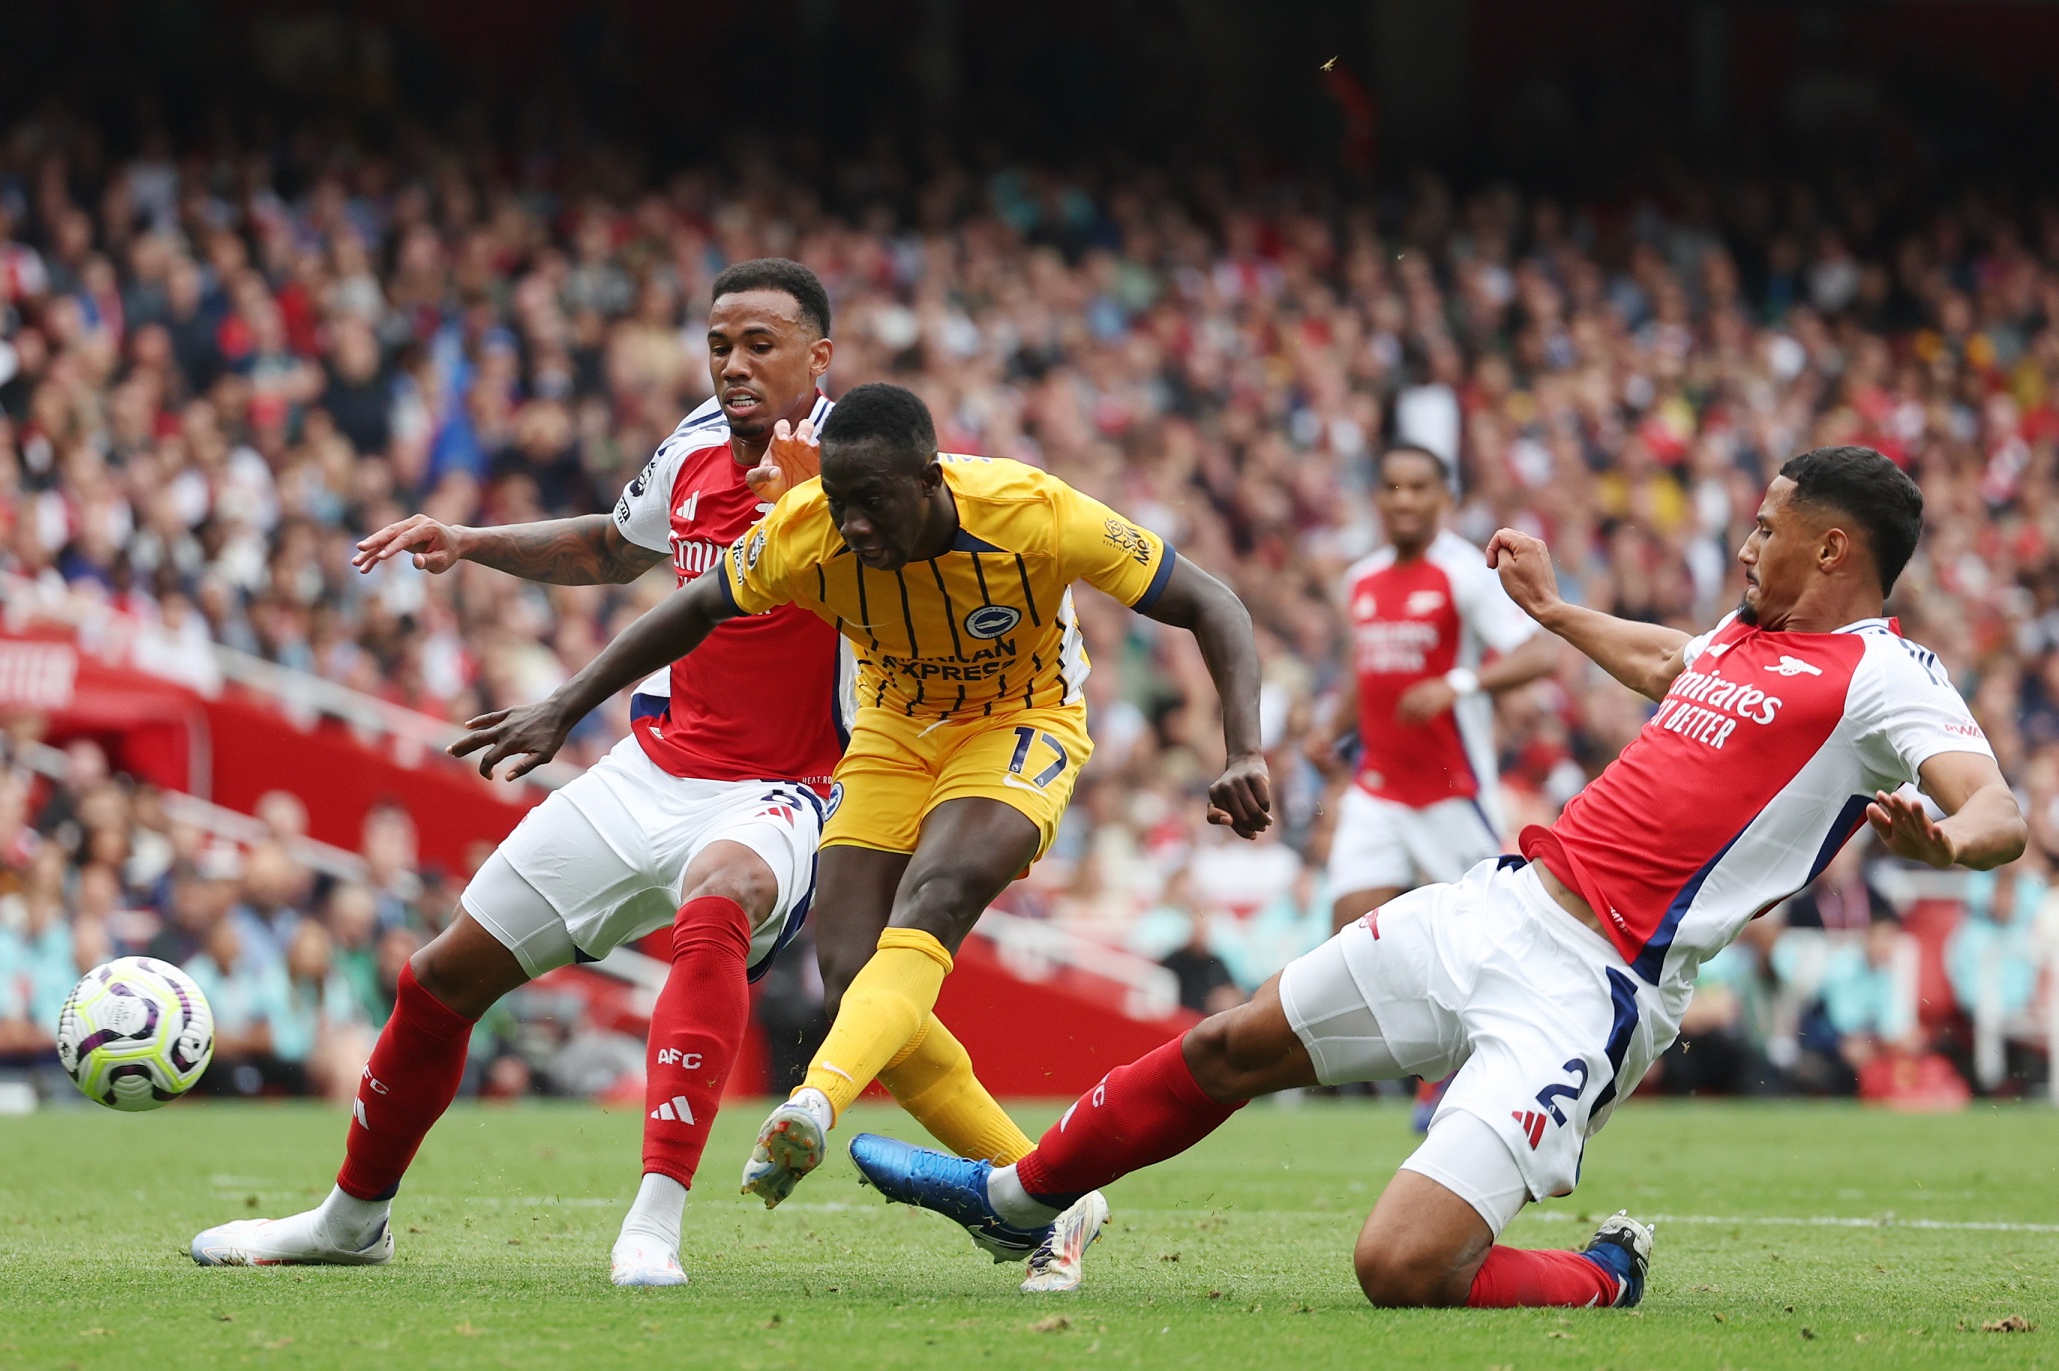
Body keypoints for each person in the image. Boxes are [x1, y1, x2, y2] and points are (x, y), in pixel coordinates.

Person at [849, 444, 2025, 1310]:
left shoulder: (1887, 674)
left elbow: (1998, 809)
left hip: (1596, 987)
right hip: (1499, 902)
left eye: (1766, 528)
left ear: (1833, 546)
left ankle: (1603, 1277)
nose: (1745, 543)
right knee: (1228, 1047)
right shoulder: (1741, 636)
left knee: (1401, 1269)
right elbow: (1668, 659)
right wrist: (1556, 611)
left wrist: (1945, 841)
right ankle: (1016, 1205)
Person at [452, 381, 1271, 1284]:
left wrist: (1243, 750)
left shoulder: (1035, 513)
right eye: (839, 504)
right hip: (889, 732)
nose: (855, 527)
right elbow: (691, 608)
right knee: (851, 973)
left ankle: (815, 1101)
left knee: (940, 894)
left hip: (1019, 722)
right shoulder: (807, 529)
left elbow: (1212, 603)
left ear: (929, 479)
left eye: (873, 502)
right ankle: (1058, 1194)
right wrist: (565, 706)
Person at [192, 258, 850, 1286]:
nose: (733, 365)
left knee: (720, 900)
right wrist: (469, 540)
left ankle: (654, 1224)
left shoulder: (863, 470)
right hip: (655, 766)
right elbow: (608, 547)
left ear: (818, 358)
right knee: (439, 977)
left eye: (760, 345)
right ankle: (350, 1220)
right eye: (719, 344)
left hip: (787, 784)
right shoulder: (690, 448)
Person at [1313, 444, 1557, 1127]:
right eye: (1391, 486)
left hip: (1451, 789)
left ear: (1442, 497)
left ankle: (1477, 1069)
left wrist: (1457, 683)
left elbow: (1539, 650)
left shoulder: (1463, 573)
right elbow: (1367, 669)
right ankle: (1430, 1066)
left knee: (1483, 944)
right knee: (1349, 934)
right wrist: (1331, 724)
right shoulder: (1360, 579)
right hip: (1377, 787)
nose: (1403, 499)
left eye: (1417, 486)